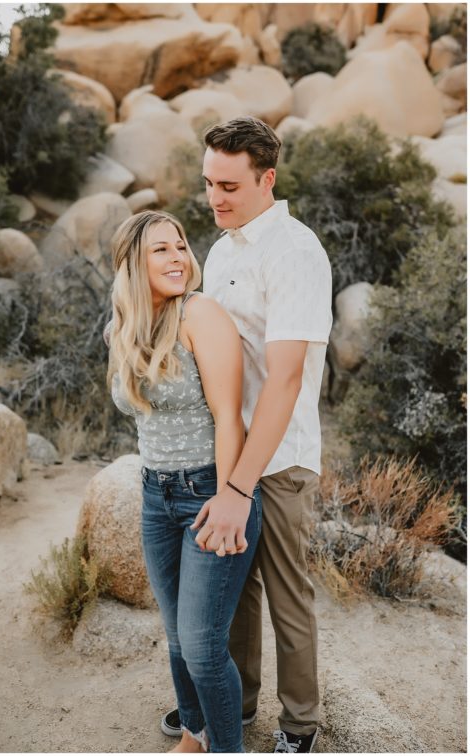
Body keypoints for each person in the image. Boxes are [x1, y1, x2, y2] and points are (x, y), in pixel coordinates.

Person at [158, 117, 332, 753]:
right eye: (208, 183)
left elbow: (284, 384)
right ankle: (237, 704)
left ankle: (300, 726)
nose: (215, 198)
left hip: (278, 460)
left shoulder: (294, 252)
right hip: (225, 450)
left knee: (287, 596)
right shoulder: (224, 248)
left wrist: (237, 486)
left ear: (268, 179)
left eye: (229, 185)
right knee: (234, 595)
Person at [107, 209, 260, 753]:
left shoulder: (201, 315)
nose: (177, 258)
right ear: (131, 264)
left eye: (180, 247)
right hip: (154, 495)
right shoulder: (124, 330)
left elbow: (229, 417)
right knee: (176, 639)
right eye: (160, 250)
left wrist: (228, 497)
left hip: (208, 492)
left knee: (201, 645)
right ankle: (195, 734)